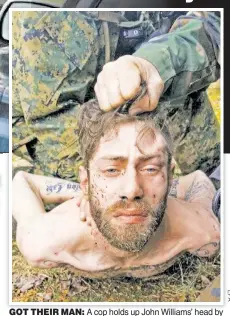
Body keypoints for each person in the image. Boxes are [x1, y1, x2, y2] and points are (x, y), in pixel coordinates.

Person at [13, 100, 220, 278]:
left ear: (170, 175)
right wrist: (83, 193)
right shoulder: (44, 242)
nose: (131, 190)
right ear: (85, 180)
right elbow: (23, 181)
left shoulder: (203, 234)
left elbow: (198, 180)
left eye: (150, 169)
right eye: (111, 170)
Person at [12, 11, 220, 183]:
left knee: (214, 178)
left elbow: (213, 25)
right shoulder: (46, 16)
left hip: (165, 100)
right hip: (68, 129)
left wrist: (158, 63)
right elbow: (52, 118)